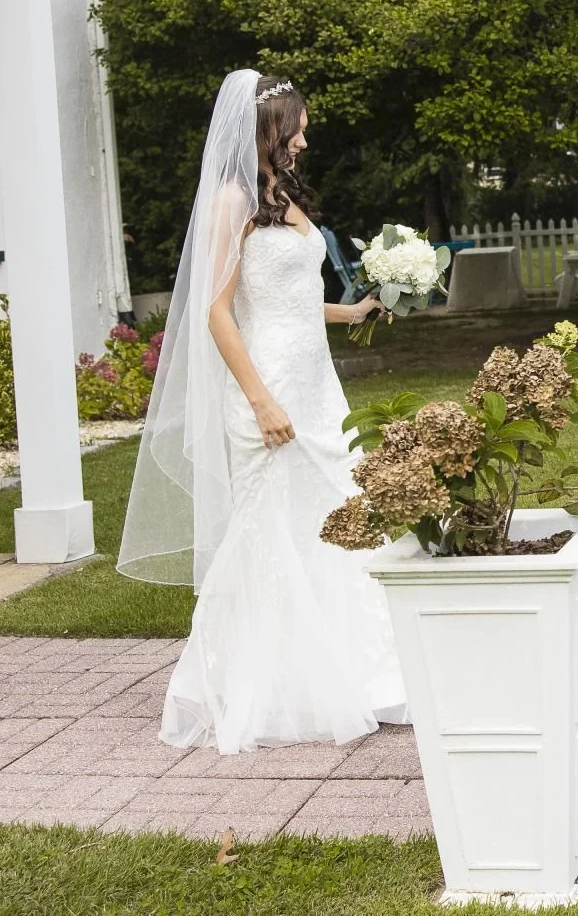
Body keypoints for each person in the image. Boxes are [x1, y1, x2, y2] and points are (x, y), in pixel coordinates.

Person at [117, 70, 406, 753]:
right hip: (268, 388)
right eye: (296, 127)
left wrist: (353, 310)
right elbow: (218, 312)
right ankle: (260, 686)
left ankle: (361, 674)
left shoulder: (281, 197)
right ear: (266, 132)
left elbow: (292, 299)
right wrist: (260, 398)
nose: (305, 138)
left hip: (316, 387)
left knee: (336, 517)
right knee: (269, 532)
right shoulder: (230, 202)